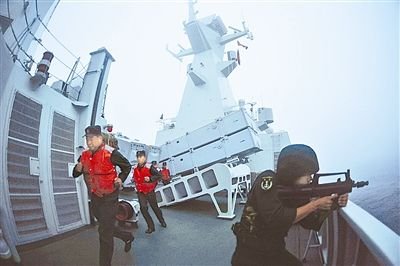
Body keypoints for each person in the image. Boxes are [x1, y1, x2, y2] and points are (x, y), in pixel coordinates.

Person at [231, 144, 349, 266]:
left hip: (274, 251)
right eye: (307, 173)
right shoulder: (267, 179)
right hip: (250, 255)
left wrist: (333, 203)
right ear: (293, 171)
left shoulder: (295, 191)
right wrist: (314, 204)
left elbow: (309, 223)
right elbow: (275, 219)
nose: (310, 178)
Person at [72, 125, 134, 266]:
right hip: (95, 197)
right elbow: (75, 174)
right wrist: (77, 169)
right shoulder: (84, 155)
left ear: (100, 138)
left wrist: (120, 178)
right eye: (87, 138)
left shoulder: (111, 153)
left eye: (92, 138)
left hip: (110, 198)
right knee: (106, 226)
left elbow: (127, 166)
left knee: (104, 233)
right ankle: (127, 237)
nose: (89, 142)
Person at [133, 151, 167, 234]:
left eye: (142, 157)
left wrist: (150, 178)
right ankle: (151, 226)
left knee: (155, 207)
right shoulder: (134, 168)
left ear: (145, 158)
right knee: (143, 208)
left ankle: (161, 220)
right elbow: (136, 177)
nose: (140, 159)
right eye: (138, 157)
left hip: (149, 191)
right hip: (140, 191)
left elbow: (159, 175)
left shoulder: (150, 167)